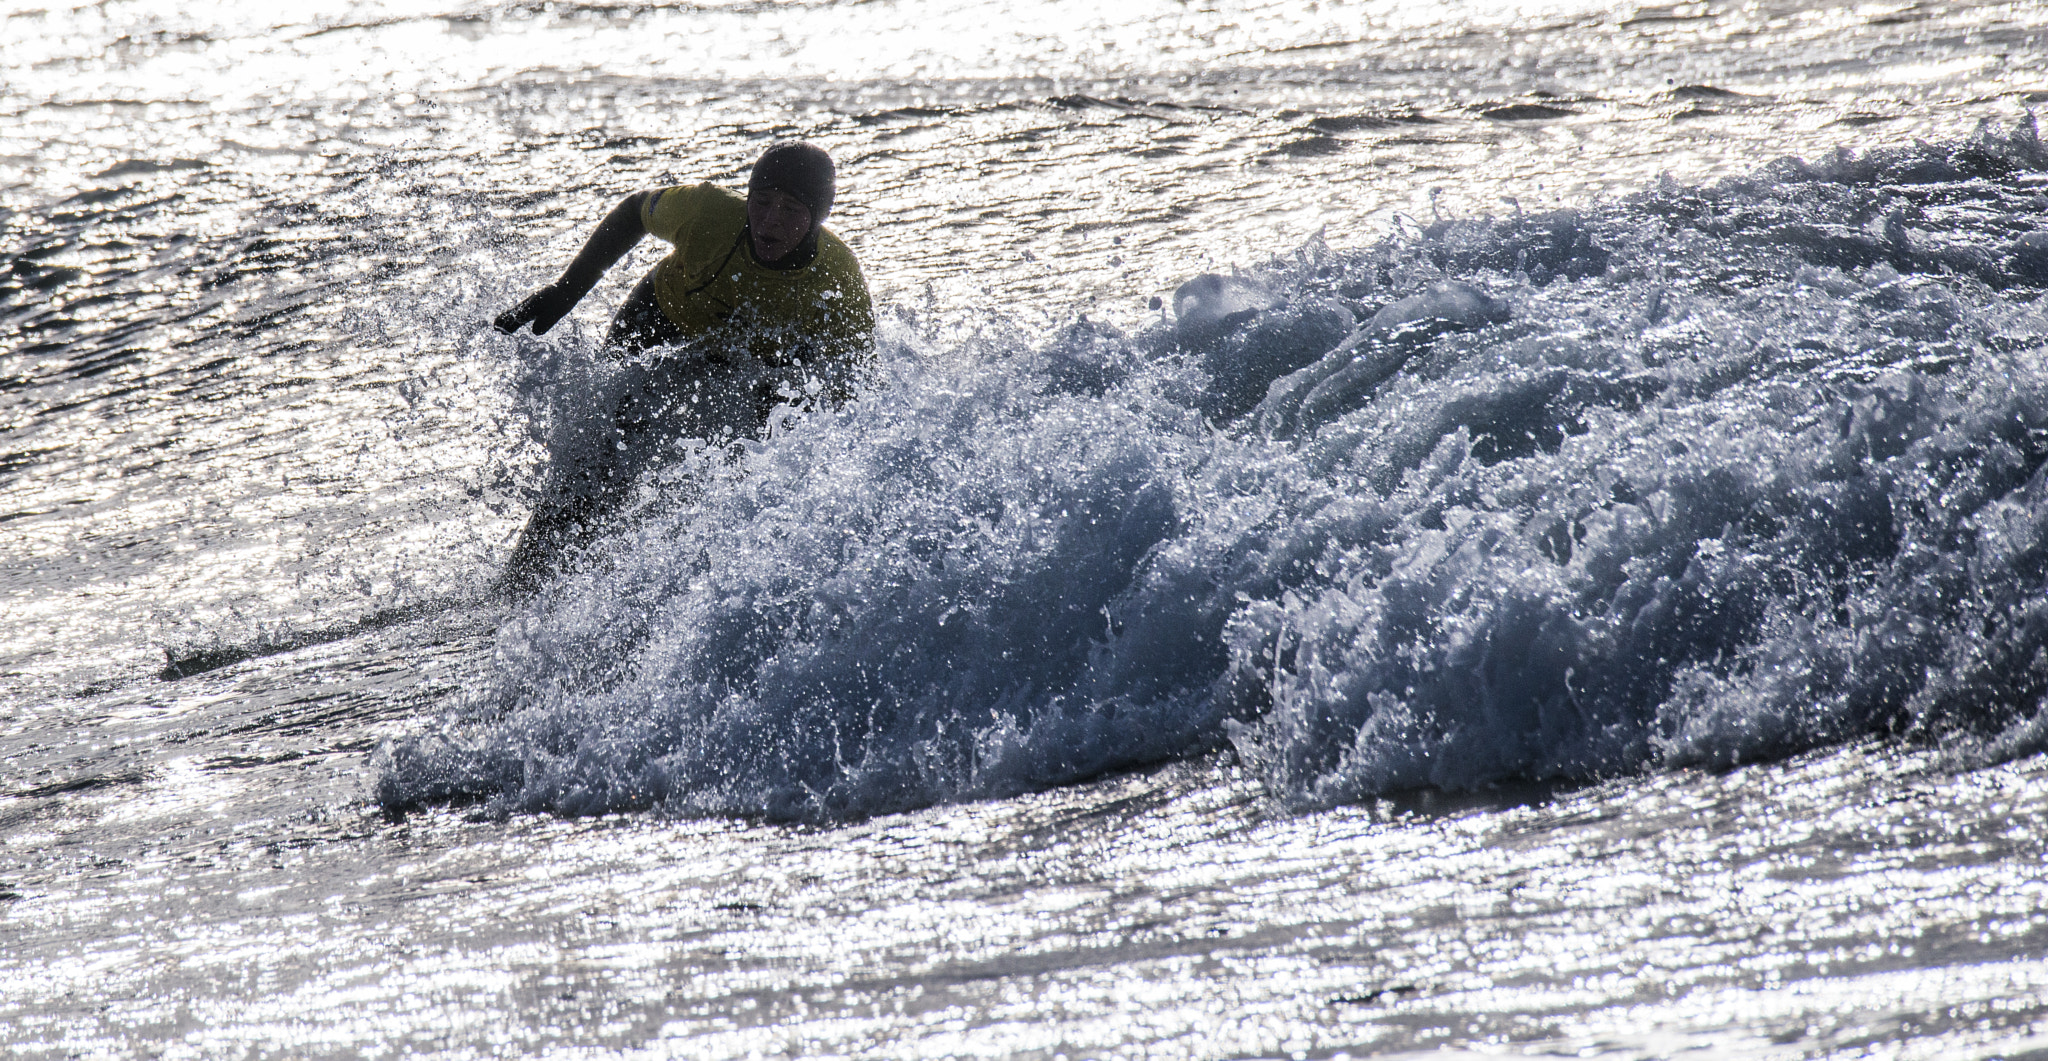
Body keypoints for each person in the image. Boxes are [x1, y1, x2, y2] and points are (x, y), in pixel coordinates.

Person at [492, 141, 875, 586]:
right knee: (599, 452)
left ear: (817, 218)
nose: (770, 221)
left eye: (790, 210)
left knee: (748, 466)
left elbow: (858, 387)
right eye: (762, 202)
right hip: (659, 323)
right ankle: (523, 582)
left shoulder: (839, 279)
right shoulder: (709, 214)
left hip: (753, 365)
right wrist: (569, 288)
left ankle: (647, 574)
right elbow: (636, 211)